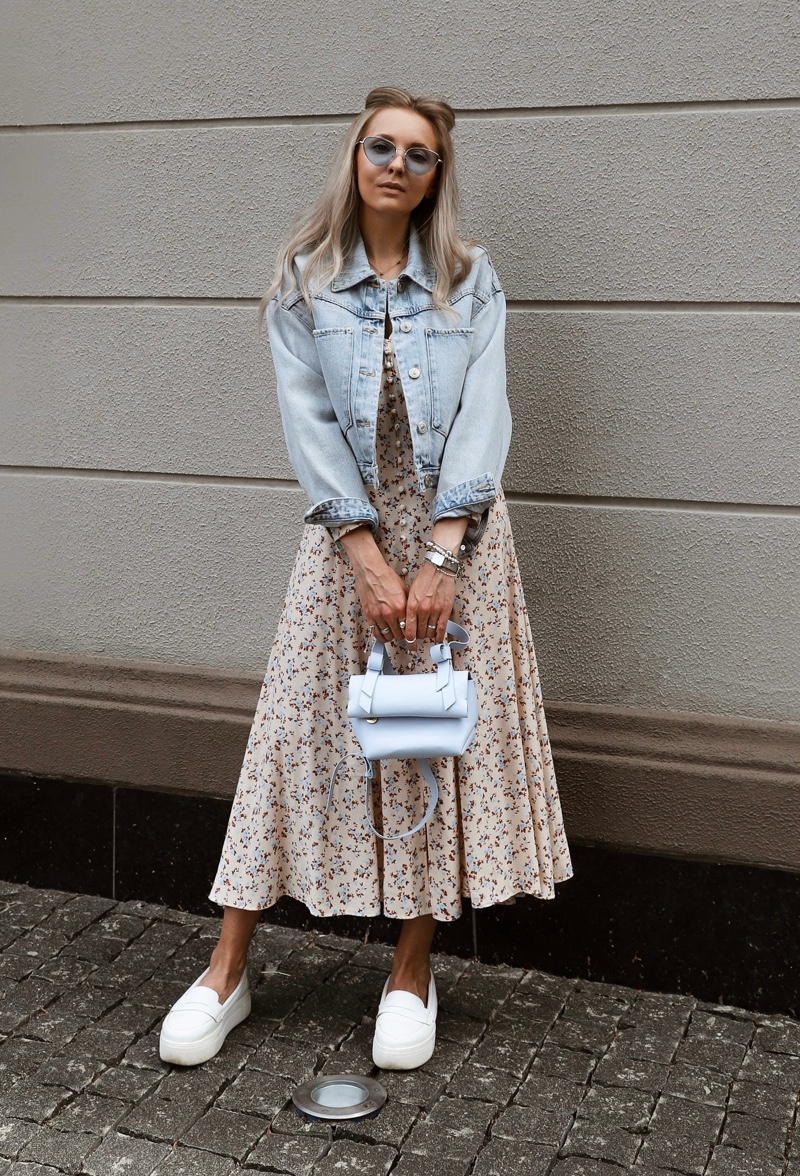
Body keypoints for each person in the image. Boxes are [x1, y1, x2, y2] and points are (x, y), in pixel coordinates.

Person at [159, 86, 572, 1072]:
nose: (394, 163)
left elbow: (483, 416)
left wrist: (436, 560)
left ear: (436, 176)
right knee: (292, 736)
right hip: (344, 533)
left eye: (416, 153)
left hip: (453, 536)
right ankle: (227, 967)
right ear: (354, 158)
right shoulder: (303, 283)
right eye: (379, 146)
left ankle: (410, 970)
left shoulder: (469, 282)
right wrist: (363, 557)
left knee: (430, 737)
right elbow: (306, 425)